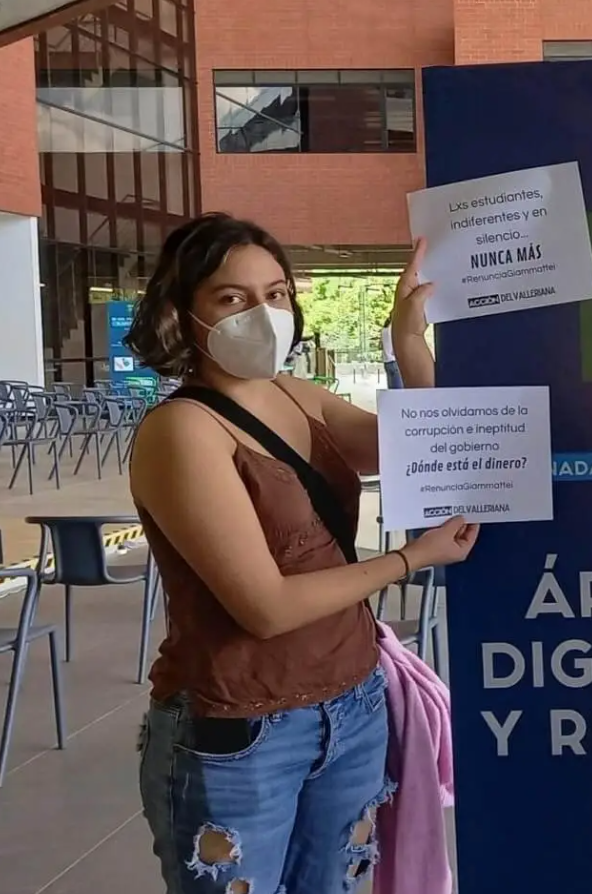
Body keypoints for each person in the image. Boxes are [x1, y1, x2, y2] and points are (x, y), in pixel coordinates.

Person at [124, 213, 474, 894]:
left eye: (277, 293)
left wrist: (408, 338)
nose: (263, 314)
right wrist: (410, 559)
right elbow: (266, 607)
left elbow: (427, 443)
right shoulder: (183, 431)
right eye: (233, 297)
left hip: (353, 702)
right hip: (243, 726)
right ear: (182, 313)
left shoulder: (295, 395)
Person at [381, 321, 402, 388]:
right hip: (394, 361)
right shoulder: (394, 329)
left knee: (391, 389)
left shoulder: (384, 330)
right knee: (398, 390)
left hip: (387, 362)